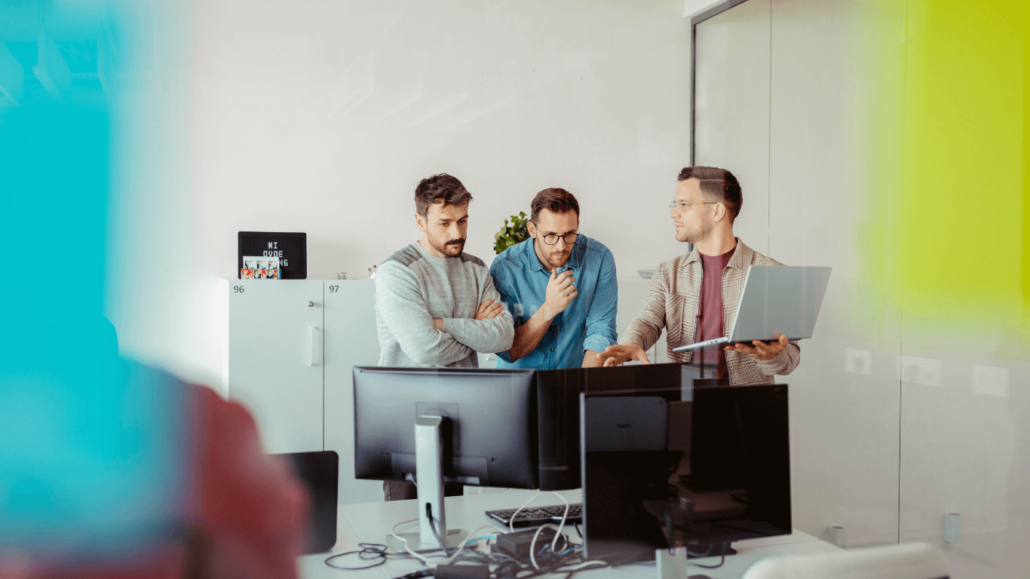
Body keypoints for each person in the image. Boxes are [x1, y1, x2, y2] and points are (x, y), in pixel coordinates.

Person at [374, 173, 515, 500]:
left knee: (455, 529)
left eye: (463, 221)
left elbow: (503, 336)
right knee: (404, 530)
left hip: (461, 416)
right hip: (405, 423)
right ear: (420, 221)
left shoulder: (477, 268)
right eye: (445, 223)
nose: (457, 233)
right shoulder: (397, 271)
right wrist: (472, 324)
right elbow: (424, 348)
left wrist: (441, 324)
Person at [598, 166, 800, 385]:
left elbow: (790, 359)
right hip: (685, 403)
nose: (674, 213)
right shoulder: (668, 272)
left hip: (748, 409)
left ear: (717, 211)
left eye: (684, 205)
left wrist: (771, 355)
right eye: (675, 205)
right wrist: (631, 343)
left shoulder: (772, 274)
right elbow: (648, 320)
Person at [490, 188, 618, 369]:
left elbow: (601, 332)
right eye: (550, 235)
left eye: (569, 234)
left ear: (577, 225)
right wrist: (549, 309)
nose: (561, 246)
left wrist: (584, 386)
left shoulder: (599, 258)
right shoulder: (505, 268)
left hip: (575, 380)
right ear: (532, 230)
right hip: (518, 385)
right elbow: (508, 350)